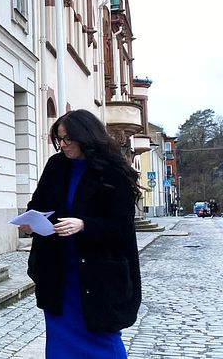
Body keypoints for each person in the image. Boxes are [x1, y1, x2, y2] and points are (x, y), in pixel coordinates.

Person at [19, 109, 142, 358]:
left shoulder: (112, 171)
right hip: (58, 272)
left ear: (85, 137)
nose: (62, 145)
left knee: (103, 340)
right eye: (59, 140)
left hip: (97, 275)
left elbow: (122, 227)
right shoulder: (56, 165)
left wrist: (83, 225)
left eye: (67, 139)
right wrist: (30, 221)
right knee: (60, 341)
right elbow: (38, 204)